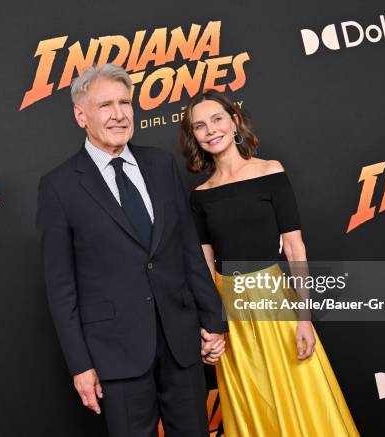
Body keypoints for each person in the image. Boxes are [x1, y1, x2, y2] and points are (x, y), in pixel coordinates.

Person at [36, 64, 228, 437]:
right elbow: (61, 288)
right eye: (106, 104)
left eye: (125, 102)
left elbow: (188, 247)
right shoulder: (58, 187)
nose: (120, 114)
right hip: (115, 353)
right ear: (81, 115)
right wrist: (80, 365)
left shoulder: (161, 165)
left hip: (180, 342)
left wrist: (213, 321)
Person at [182, 89, 359, 436]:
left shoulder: (270, 171)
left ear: (234, 122)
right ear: (195, 137)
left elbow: (295, 249)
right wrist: (211, 327)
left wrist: (305, 318)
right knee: (254, 401)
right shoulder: (199, 197)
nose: (210, 130)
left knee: (302, 394)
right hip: (231, 312)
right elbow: (203, 270)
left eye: (217, 119)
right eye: (199, 126)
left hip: (276, 302)